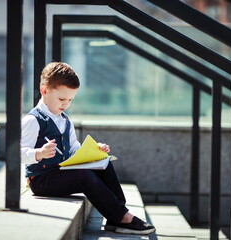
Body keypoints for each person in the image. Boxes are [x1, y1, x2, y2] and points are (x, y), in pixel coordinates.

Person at [21, 62, 155, 235]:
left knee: (105, 164)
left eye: (70, 100)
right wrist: (38, 154)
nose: (66, 104)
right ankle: (122, 218)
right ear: (44, 90)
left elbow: (73, 149)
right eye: (62, 99)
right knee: (83, 176)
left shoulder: (65, 120)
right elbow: (17, 153)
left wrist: (93, 151)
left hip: (60, 173)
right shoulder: (33, 120)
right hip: (41, 180)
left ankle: (117, 216)